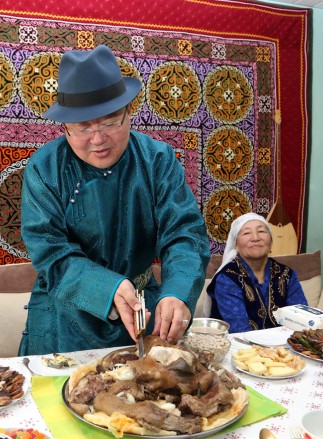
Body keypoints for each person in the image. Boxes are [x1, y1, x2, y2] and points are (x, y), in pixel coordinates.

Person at [19, 45, 210, 355]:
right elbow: (50, 252)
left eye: (109, 122)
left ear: (129, 112)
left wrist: (177, 292)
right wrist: (106, 287)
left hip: (143, 310)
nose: (97, 139)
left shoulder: (157, 160)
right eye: (82, 127)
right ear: (64, 127)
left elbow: (184, 234)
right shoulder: (45, 168)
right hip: (65, 315)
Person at [204, 212, 307, 333]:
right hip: (240, 343)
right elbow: (240, 331)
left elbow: (302, 318)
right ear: (236, 245)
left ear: (271, 242)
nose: (255, 238)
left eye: (261, 231)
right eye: (247, 233)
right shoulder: (227, 278)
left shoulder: (287, 274)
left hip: (286, 342)